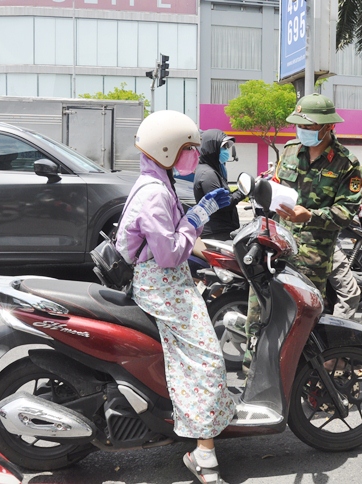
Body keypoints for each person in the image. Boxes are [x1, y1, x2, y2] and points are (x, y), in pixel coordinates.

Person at [116, 111, 235, 484]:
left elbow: (172, 241)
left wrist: (195, 224)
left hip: (167, 278)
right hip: (163, 282)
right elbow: (168, 254)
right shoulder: (153, 193)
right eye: (188, 149)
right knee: (207, 359)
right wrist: (198, 216)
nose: (194, 157)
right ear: (165, 150)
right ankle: (203, 453)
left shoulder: (157, 181)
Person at [242, 93, 362, 368]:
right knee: (260, 315)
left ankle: (303, 383)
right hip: (275, 248)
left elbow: (346, 212)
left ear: (328, 126)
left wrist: (311, 216)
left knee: (302, 323)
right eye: (300, 126)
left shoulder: (346, 163)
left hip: (312, 259)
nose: (303, 131)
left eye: (309, 126)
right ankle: (254, 375)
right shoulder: (289, 150)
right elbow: (275, 186)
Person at [194, 129, 245, 241]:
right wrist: (242, 192)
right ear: (212, 147)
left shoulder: (214, 170)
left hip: (222, 231)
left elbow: (224, 195)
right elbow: (222, 204)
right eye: (223, 147)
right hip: (216, 234)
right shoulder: (208, 174)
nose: (226, 151)